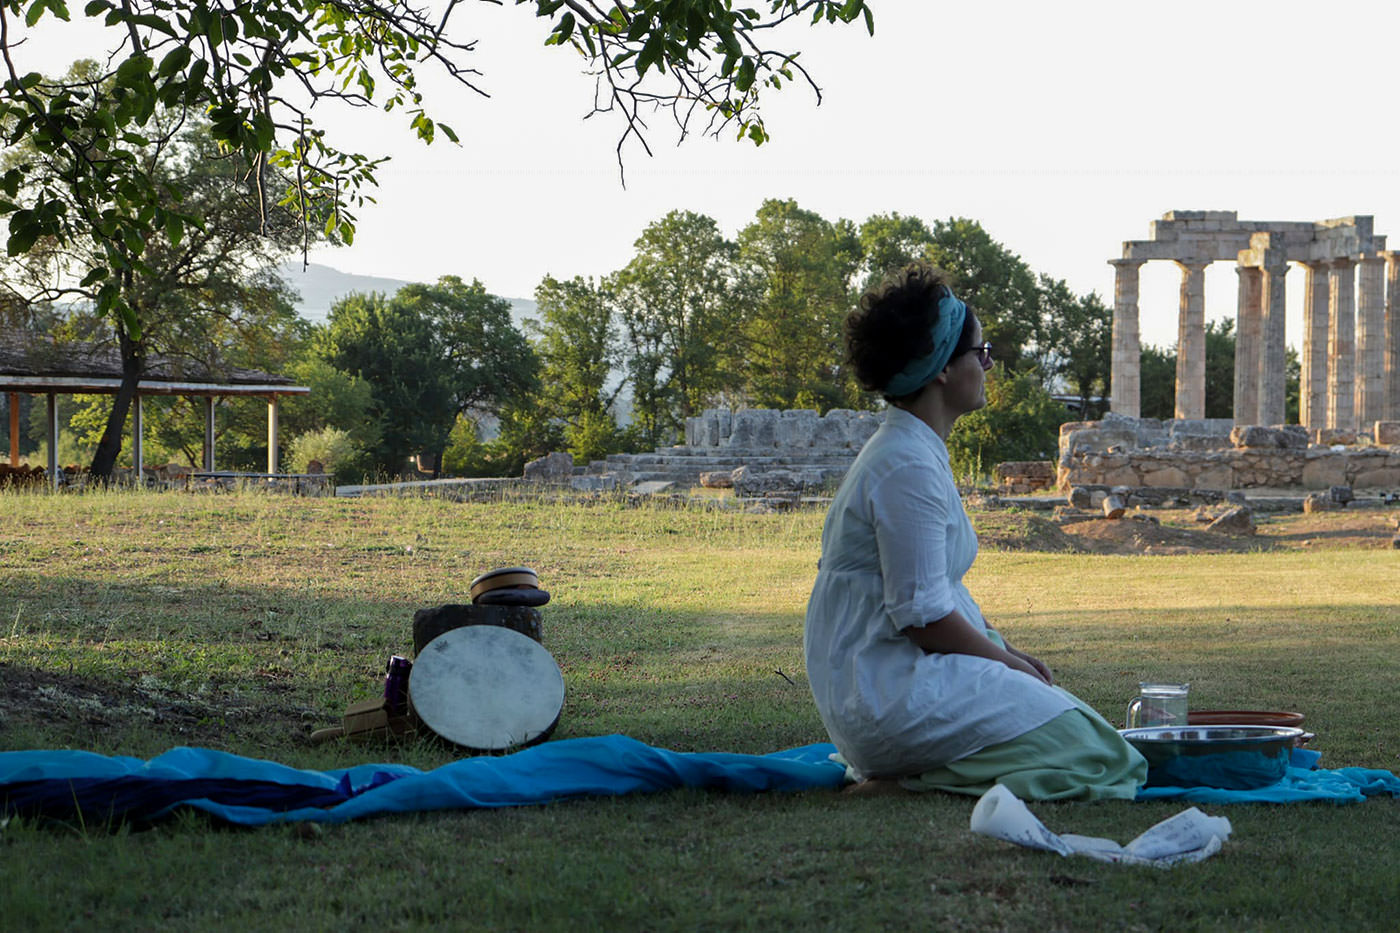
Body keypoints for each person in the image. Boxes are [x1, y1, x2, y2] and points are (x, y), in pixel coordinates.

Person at [804, 262, 1146, 800]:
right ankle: (905, 781)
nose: (988, 365)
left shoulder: (915, 450)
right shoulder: (905, 466)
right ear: (943, 368)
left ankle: (918, 771)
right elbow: (923, 618)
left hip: (903, 673)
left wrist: (1006, 647)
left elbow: (938, 591)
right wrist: (1006, 663)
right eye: (981, 353)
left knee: (1094, 733)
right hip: (887, 689)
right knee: (1106, 759)